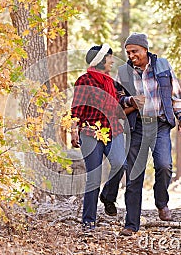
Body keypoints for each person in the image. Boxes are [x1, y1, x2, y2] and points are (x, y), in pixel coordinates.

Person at [116, 33, 181, 236]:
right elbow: (117, 101)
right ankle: (131, 224)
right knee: (133, 176)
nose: (131, 55)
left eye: (134, 51)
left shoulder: (163, 65)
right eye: (128, 52)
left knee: (164, 165)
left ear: (145, 49)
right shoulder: (123, 72)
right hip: (137, 127)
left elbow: (176, 95)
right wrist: (130, 101)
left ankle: (161, 202)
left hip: (160, 125)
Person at [70, 44, 127, 231]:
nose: (112, 60)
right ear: (101, 60)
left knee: (120, 162)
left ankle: (108, 196)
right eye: (110, 57)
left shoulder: (111, 82)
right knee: (93, 178)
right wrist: (73, 130)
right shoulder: (83, 81)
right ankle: (88, 222)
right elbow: (77, 109)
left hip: (113, 130)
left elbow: (119, 104)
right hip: (90, 133)